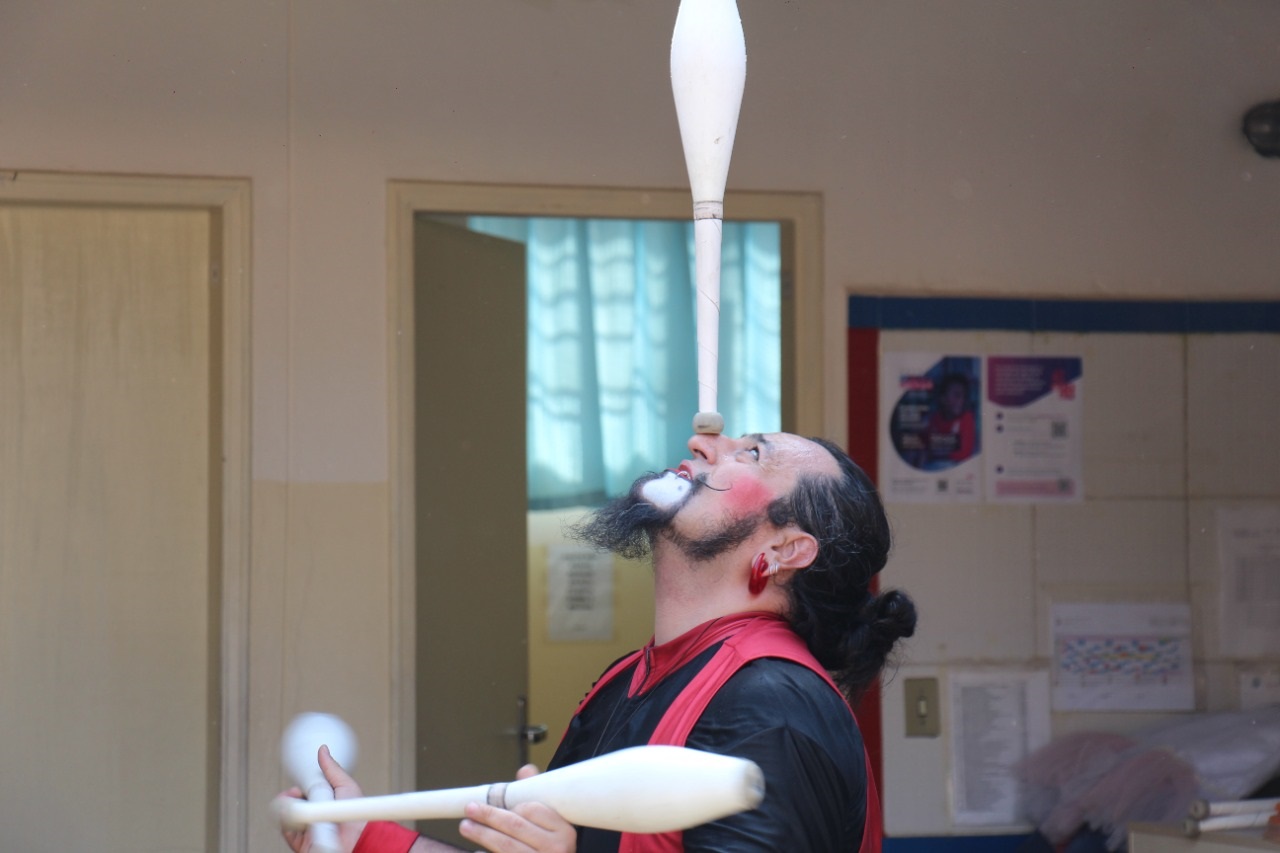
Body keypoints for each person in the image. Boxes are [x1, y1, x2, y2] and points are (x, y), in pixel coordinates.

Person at [280, 431, 917, 853]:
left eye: (750, 454)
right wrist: (363, 837)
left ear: (786, 549)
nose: (703, 443)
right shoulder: (630, 679)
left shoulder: (772, 709)